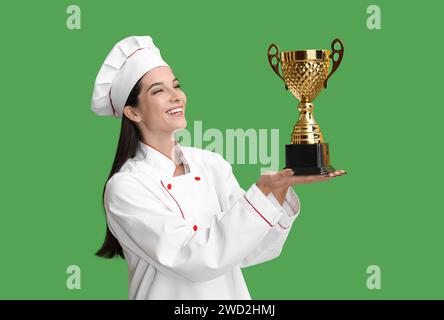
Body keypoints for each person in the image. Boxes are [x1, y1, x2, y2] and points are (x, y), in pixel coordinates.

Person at [91, 35, 347, 300]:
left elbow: (250, 250)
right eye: (158, 91)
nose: (175, 97)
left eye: (176, 86)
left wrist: (278, 192)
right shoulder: (126, 187)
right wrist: (261, 191)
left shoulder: (212, 165)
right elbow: (191, 258)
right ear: (133, 112)